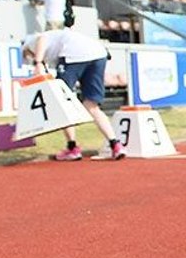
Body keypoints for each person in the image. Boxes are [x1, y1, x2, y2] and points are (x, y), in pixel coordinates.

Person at [21, 30, 125, 161]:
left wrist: (38, 62)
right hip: (98, 54)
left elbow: (41, 39)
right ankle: (115, 144)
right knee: (91, 105)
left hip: (74, 54)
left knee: (61, 102)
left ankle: (72, 148)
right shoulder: (55, 46)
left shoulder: (31, 43)